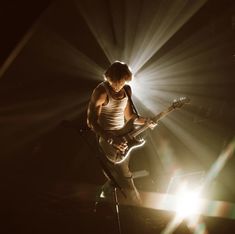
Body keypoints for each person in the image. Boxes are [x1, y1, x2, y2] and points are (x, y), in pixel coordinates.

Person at [87, 61, 155, 204]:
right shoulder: (101, 91)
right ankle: (136, 206)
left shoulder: (127, 90)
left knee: (121, 176)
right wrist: (111, 139)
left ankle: (101, 198)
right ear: (109, 78)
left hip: (123, 137)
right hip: (107, 139)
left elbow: (130, 117)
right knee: (123, 176)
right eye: (116, 82)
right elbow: (91, 122)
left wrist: (146, 121)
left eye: (122, 81)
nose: (119, 85)